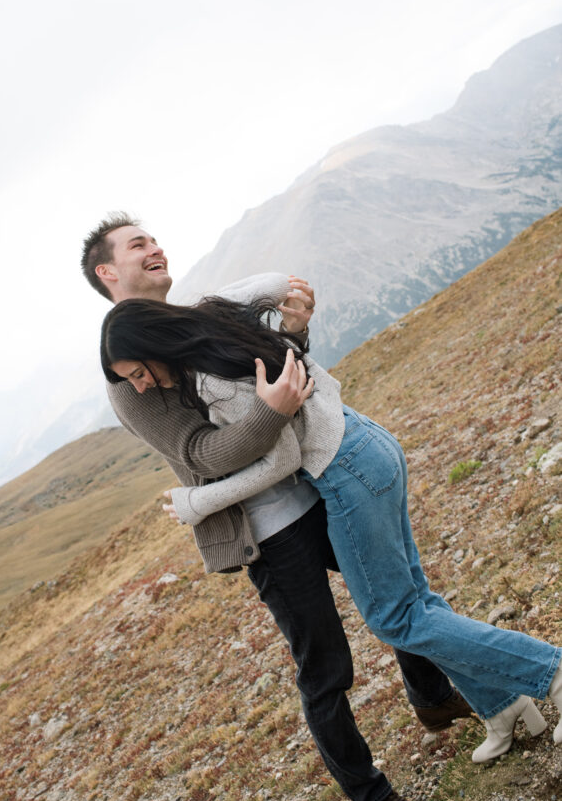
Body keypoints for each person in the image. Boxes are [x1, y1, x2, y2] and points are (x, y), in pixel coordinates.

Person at [81, 214, 472, 801]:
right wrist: (270, 412)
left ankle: (431, 696)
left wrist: (294, 331)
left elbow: (270, 370)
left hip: (315, 488)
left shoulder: (186, 321)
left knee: (394, 591)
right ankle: (373, 799)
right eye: (136, 245)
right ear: (107, 272)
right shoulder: (127, 375)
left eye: (152, 238)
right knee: (324, 666)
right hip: (267, 529)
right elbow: (203, 455)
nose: (154, 247)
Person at [100, 278, 562, 768]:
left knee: (395, 617)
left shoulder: (210, 380)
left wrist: (200, 501)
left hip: (346, 470)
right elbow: (280, 288)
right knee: (416, 600)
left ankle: (550, 672)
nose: (140, 387)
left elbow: (282, 459)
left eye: (137, 373)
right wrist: (294, 322)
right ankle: (501, 705)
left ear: (154, 347)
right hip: (365, 445)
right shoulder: (221, 327)